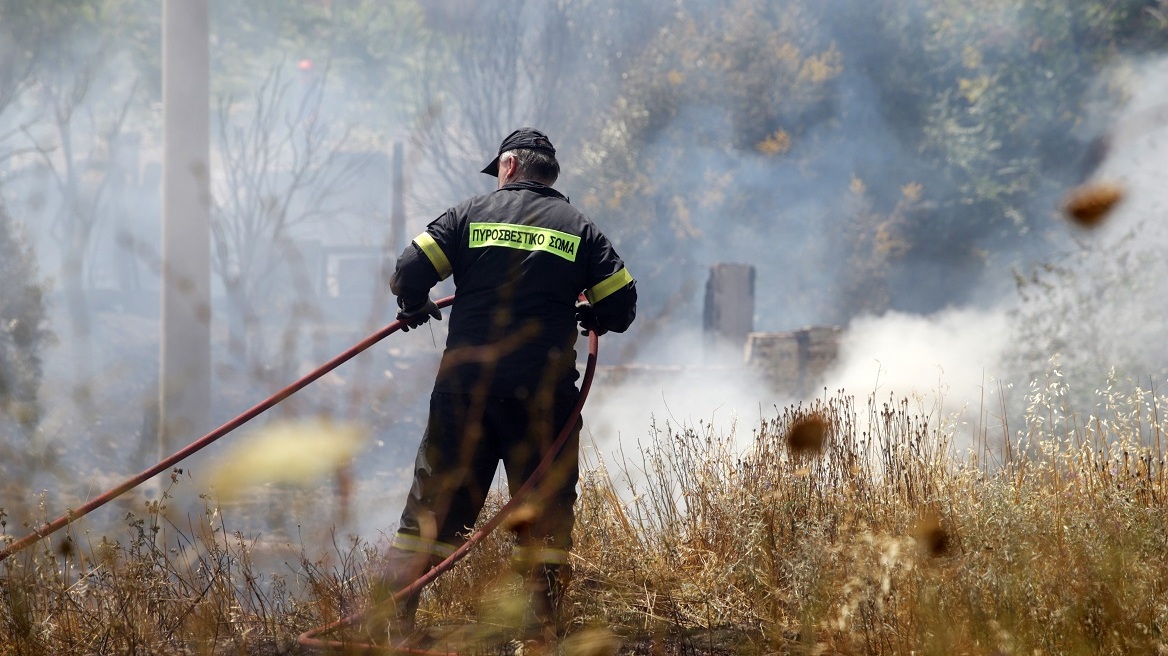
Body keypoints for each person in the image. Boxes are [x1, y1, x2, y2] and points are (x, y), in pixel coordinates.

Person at [372, 127, 637, 643]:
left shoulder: (467, 216)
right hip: (543, 400)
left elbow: (408, 270)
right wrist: (589, 313)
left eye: (498, 172)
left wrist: (413, 307)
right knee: (543, 517)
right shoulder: (580, 230)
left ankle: (389, 629)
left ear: (509, 166)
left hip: (463, 394)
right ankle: (537, 635)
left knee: (431, 511)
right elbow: (622, 306)